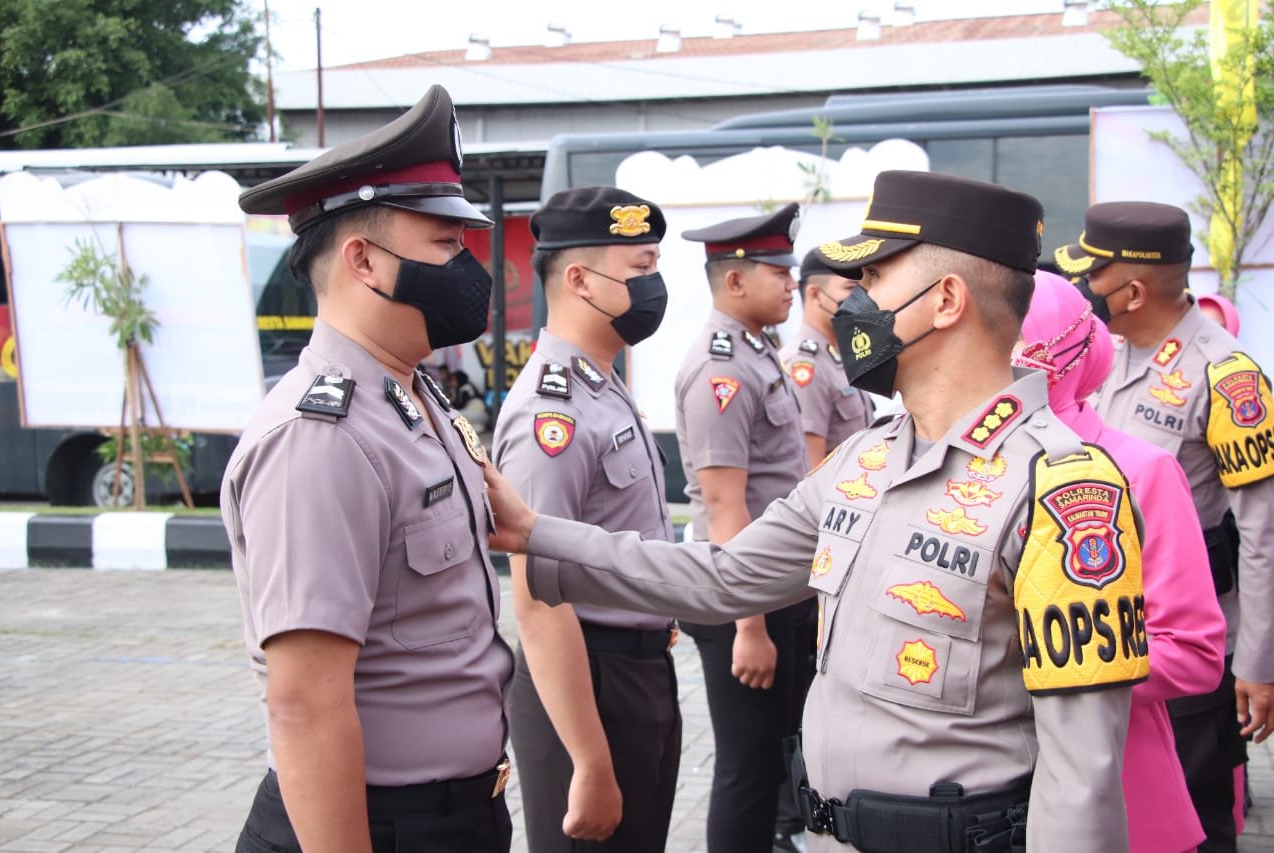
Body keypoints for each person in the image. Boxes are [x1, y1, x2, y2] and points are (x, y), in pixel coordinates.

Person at [487, 170, 1149, 853]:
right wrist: (537, 533)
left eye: (876, 279)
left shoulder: (1063, 491)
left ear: (946, 299)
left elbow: (1082, 777)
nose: (851, 303)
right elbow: (722, 577)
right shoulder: (864, 459)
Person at [223, 84, 515, 853]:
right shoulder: (323, 437)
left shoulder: (412, 399)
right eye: (446, 246)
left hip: (456, 814)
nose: (468, 268)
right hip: (376, 825)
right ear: (364, 261)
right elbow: (305, 705)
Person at [1056, 202, 1274, 852]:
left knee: (1199, 821)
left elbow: (1263, 531)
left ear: (1131, 289)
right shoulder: (1107, 353)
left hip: (1186, 647)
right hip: (1109, 637)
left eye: (1092, 276)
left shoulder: (1227, 376)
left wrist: (1259, 664)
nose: (1083, 290)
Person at [492, 186, 681, 852]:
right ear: (578, 280)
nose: (654, 286)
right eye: (639, 270)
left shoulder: (600, 380)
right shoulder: (554, 413)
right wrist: (590, 760)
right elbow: (539, 602)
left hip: (636, 673)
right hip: (587, 684)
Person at [1018, 271, 1225, 853]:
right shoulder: (940, 468)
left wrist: (1034, 666)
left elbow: (1192, 651)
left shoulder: (1138, 470)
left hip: (1113, 788)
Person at [674, 202, 814, 853]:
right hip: (742, 598)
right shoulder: (722, 368)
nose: (792, 283)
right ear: (734, 280)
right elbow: (726, 504)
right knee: (745, 767)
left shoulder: (757, 352)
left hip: (771, 588)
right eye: (777, 271)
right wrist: (749, 626)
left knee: (766, 759)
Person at [782, 247, 876, 466]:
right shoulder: (805, 365)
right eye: (851, 288)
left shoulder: (840, 357)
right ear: (815, 294)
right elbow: (810, 469)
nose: (861, 299)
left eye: (863, 289)